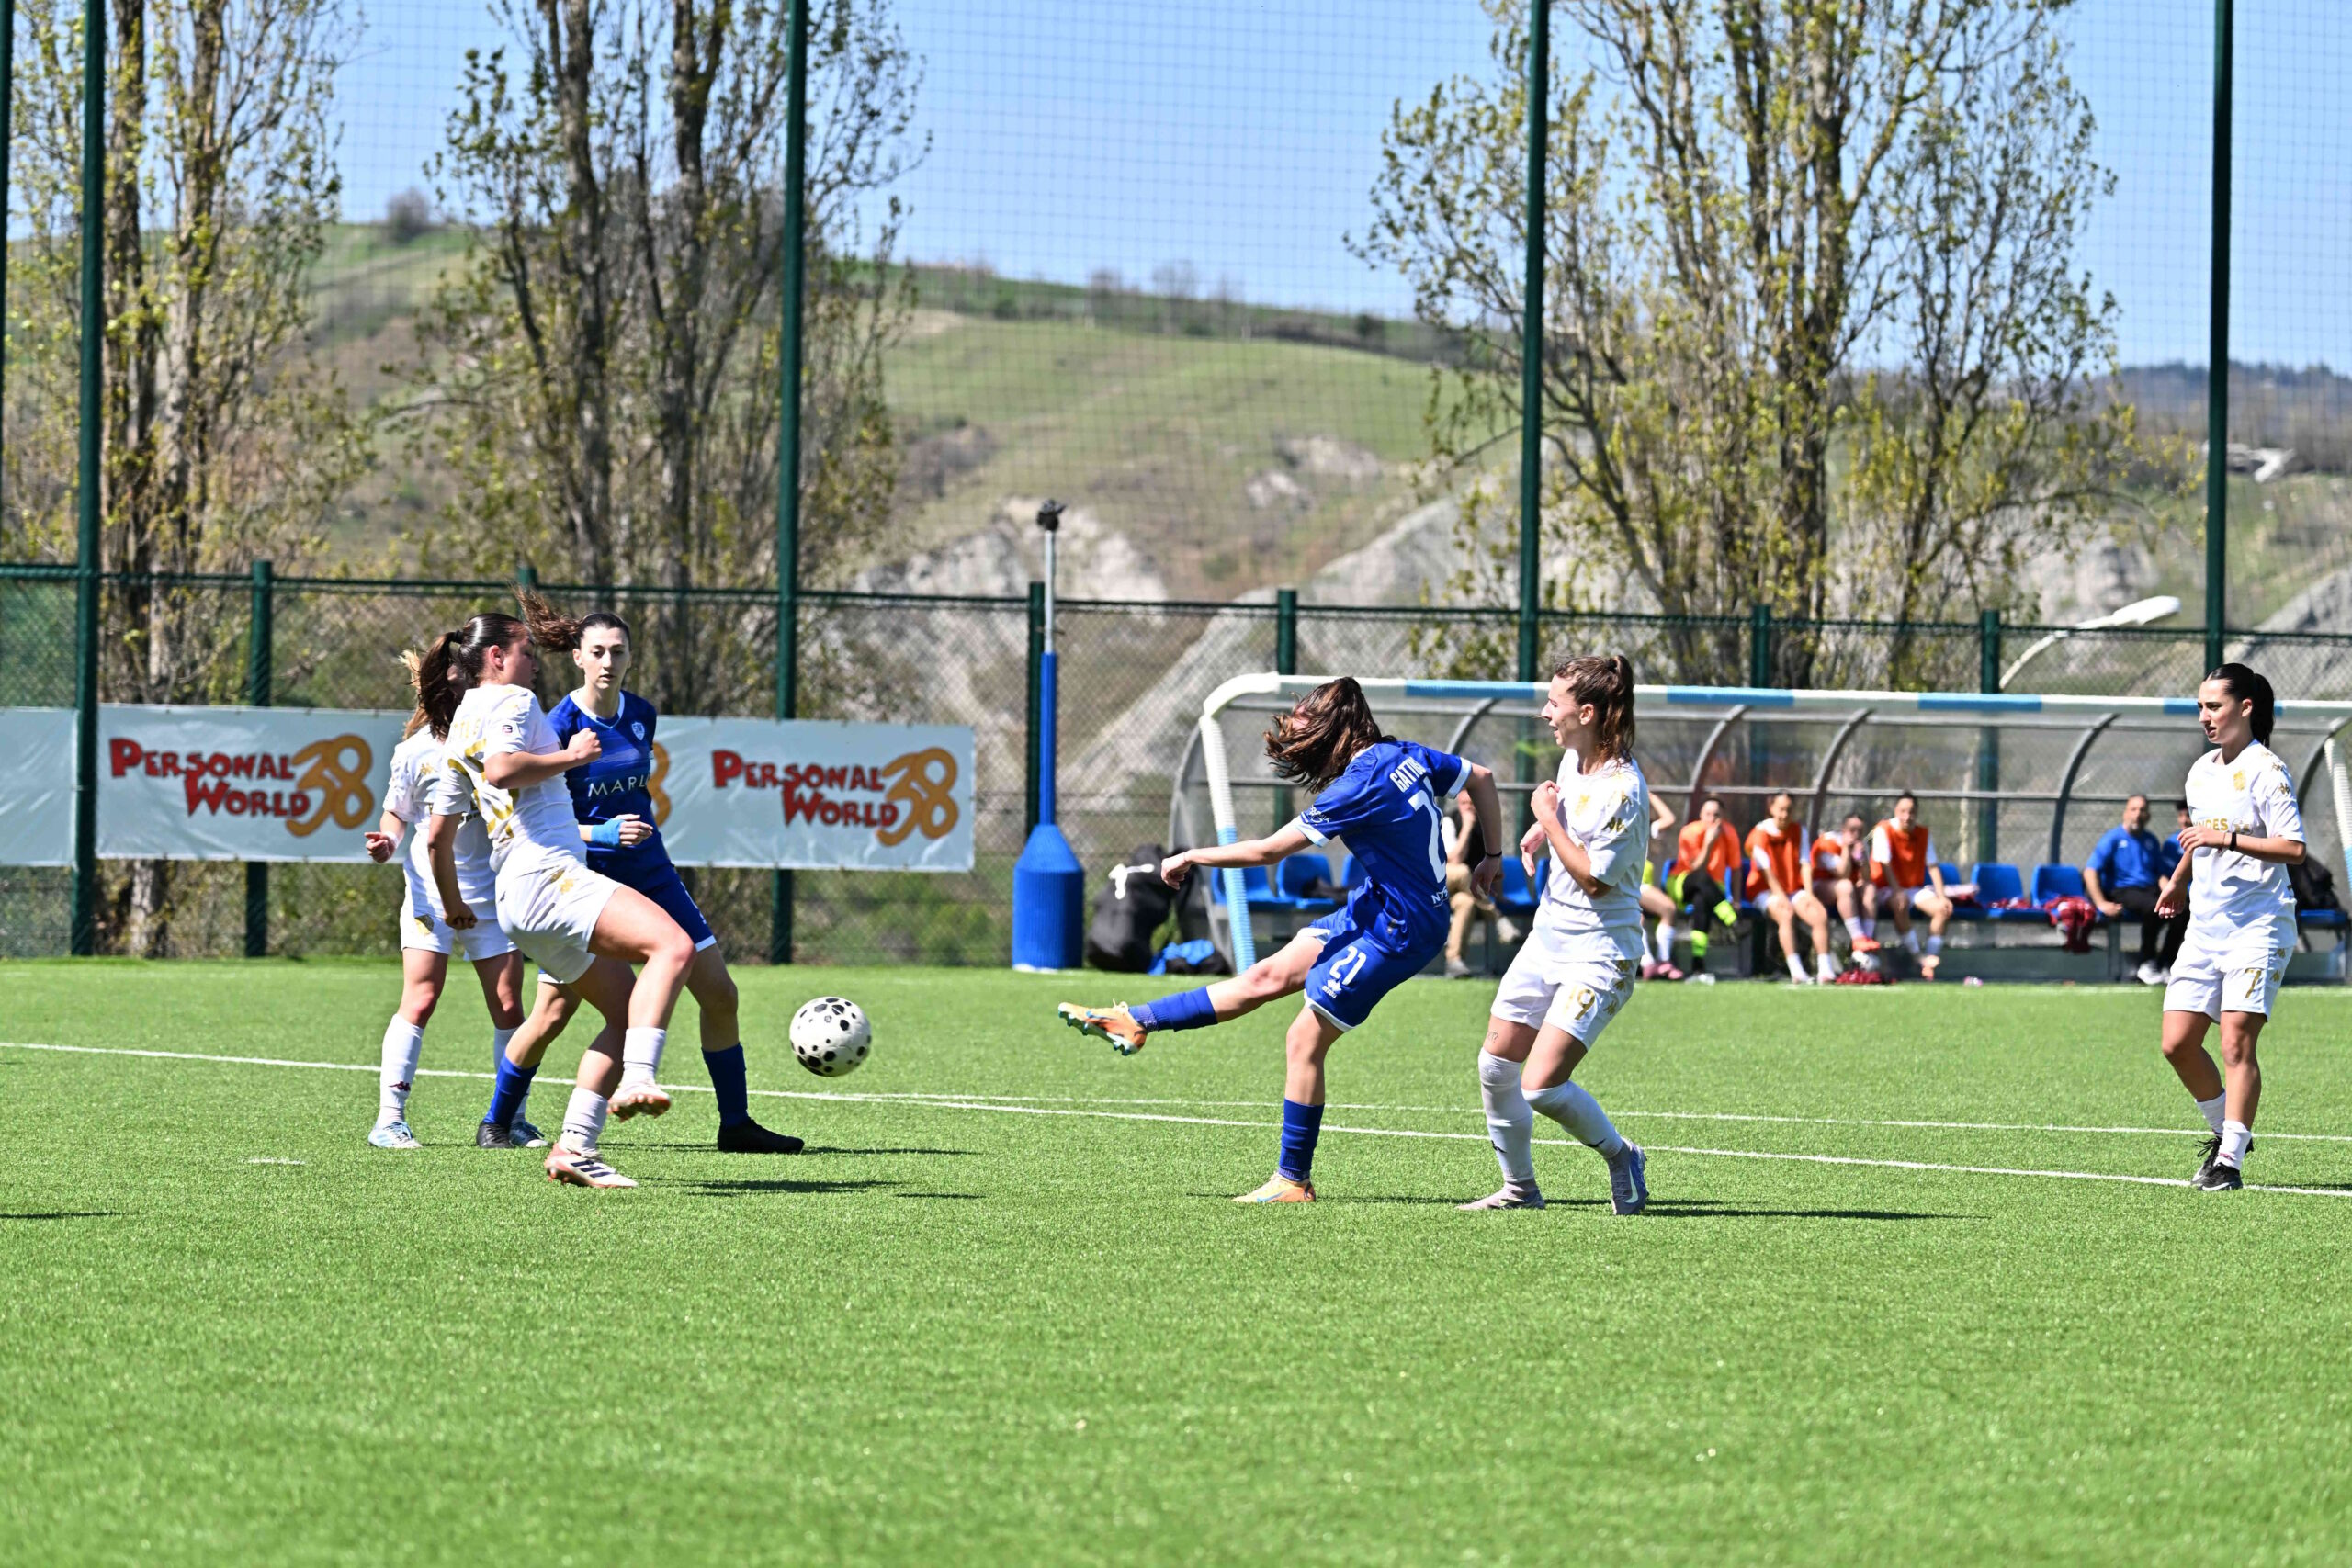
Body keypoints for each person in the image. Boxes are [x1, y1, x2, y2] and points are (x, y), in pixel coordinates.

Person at [1057, 677, 1504, 1203]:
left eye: (1305, 721)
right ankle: (1137, 1021)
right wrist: (1491, 857)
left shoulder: (1359, 785)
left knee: (1302, 1039)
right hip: (1374, 905)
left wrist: (1191, 855)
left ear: (1334, 725)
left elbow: (1269, 852)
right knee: (1263, 977)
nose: (1296, 731)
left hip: (1399, 930)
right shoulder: (1402, 753)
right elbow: (1483, 776)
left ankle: (1293, 1180)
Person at [478, 598, 804, 1156]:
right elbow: (540, 825)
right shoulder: (556, 727)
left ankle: (736, 1125)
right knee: (553, 1014)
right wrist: (600, 836)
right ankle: (497, 1121)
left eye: (618, 651)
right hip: (584, 882)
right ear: (578, 657)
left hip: (653, 876)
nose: (608, 661)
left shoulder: (641, 714)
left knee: (721, 994)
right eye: (597, 651)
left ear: (631, 657)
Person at [418, 611, 701, 1190]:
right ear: (496, 657)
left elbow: (436, 837)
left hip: (515, 898)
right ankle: (639, 1077)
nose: (532, 665)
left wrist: (452, 905)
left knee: (626, 1012)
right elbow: (502, 770)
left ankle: (575, 1146)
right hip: (548, 877)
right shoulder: (514, 703)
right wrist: (572, 757)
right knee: (672, 946)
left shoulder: (457, 727)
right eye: (524, 653)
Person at [1460, 653, 1650, 1213]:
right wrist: (1542, 833)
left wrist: (1544, 818)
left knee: (1540, 1085)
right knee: (1495, 1066)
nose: (1545, 712)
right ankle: (1519, 1188)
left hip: (1601, 954)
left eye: (1554, 702)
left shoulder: (1625, 791)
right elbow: (1570, 822)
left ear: (1586, 713)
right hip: (1548, 940)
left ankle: (1622, 1157)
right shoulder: (1573, 762)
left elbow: (1594, 878)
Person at [358, 653, 531, 1151]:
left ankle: (511, 1119)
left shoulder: (499, 743)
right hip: (430, 895)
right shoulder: (415, 752)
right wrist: (388, 842)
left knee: (507, 1005)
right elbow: (396, 814)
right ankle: (389, 1120)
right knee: (422, 997)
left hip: (491, 896)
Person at [2153, 664, 2305, 1191]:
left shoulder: (2268, 770)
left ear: (2245, 708)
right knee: (2177, 1043)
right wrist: (2176, 881)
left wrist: (2227, 842)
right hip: (2206, 926)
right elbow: (2201, 840)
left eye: (2213, 706)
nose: (2204, 717)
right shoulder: (2200, 773)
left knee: (2237, 1041)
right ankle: (2226, 1132)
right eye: (2200, 707)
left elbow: (2294, 849)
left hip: (2258, 926)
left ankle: (2230, 1163)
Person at [2084, 794, 2187, 986]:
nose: (2138, 814)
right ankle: (2146, 962)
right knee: (2153, 907)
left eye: (2142, 810)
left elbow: (2159, 874)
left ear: (2148, 816)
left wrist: (2171, 893)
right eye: (2134, 809)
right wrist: (2101, 903)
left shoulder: (2151, 841)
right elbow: (2090, 872)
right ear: (2125, 813)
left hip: (2149, 889)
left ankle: (2166, 963)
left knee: (2182, 910)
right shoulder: (2112, 839)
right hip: (2123, 890)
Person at [1746, 791, 1838, 984]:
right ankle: (1797, 972)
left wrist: (1810, 895)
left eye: (1789, 810)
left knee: (1819, 914)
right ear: (1771, 809)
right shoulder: (1759, 833)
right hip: (1765, 890)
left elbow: (1805, 864)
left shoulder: (1799, 831)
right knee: (1785, 914)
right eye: (1780, 809)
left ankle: (1825, 971)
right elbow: (1766, 871)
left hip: (1792, 888)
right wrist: (1781, 898)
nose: (1785, 814)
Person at [1866, 792, 1955, 978]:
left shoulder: (1923, 833)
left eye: (1912, 812)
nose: (1908, 816)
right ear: (1896, 811)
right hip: (1886, 888)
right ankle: (1917, 956)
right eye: (1903, 811)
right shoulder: (1883, 830)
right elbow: (1885, 864)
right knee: (1901, 903)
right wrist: (1897, 892)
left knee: (1943, 909)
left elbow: (1933, 866)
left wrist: (1942, 896)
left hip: (1913, 889)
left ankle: (1930, 959)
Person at [1442, 788, 1520, 978]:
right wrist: (1467, 827)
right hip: (1442, 884)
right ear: (1458, 803)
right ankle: (1498, 918)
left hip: (1466, 893)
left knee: (1466, 903)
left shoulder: (1485, 828)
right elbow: (1455, 859)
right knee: (1462, 871)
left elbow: (1495, 867)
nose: (1468, 809)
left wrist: (1499, 896)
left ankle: (1454, 962)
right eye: (1464, 804)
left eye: (1472, 805)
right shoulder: (1449, 821)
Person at [1667, 796, 1741, 978]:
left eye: (1716, 815)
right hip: (1683, 882)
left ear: (1723, 817)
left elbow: (1737, 869)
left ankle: (1697, 963)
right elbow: (1695, 869)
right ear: (1701, 815)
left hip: (1712, 891)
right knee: (1701, 878)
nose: (1712, 819)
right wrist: (1709, 844)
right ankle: (1732, 920)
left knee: (1702, 901)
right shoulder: (1689, 832)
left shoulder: (1730, 833)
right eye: (1708, 814)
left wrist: (1737, 899)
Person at [1638, 793, 1684, 980]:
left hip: (1639, 886)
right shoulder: (1614, 825)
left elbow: (1669, 819)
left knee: (1668, 908)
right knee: (1636, 917)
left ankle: (1662, 962)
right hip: (1619, 884)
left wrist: (1648, 794)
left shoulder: (1645, 828)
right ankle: (1648, 963)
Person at [1813, 812, 1871, 956]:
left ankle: (1867, 939)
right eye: (1852, 830)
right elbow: (1843, 874)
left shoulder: (1861, 846)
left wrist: (1862, 859)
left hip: (1847, 893)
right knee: (1845, 886)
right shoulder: (1828, 842)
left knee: (1870, 889)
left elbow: (1867, 877)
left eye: (1860, 831)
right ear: (1843, 829)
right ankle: (1858, 937)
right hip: (1820, 889)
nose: (1856, 835)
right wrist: (1846, 848)